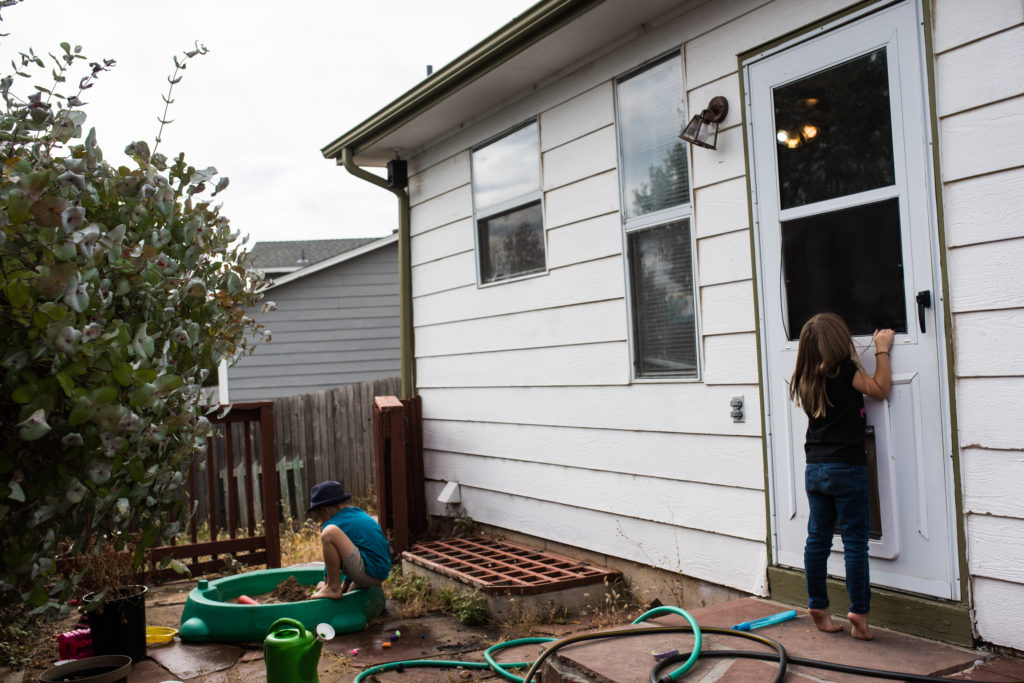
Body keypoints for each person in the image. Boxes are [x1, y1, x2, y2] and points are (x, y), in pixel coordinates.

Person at [789, 312, 893, 641]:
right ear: (839, 343)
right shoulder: (846, 372)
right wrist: (881, 350)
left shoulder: (805, 378)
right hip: (847, 470)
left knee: (817, 539)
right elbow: (880, 389)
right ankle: (859, 613)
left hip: (815, 469)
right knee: (854, 544)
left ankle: (818, 606)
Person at [306, 480, 391, 599]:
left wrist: (327, 584)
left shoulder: (333, 523)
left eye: (318, 515)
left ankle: (332, 588)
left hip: (370, 572)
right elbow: (359, 550)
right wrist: (345, 585)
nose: (320, 520)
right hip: (379, 571)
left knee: (329, 533)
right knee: (350, 596)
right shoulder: (356, 514)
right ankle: (339, 587)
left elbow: (330, 563)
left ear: (325, 509)